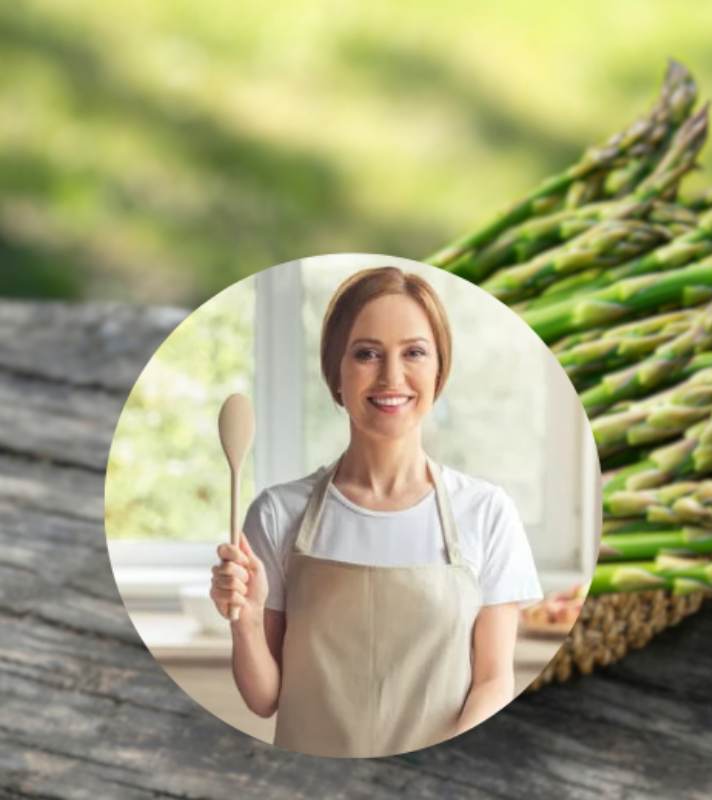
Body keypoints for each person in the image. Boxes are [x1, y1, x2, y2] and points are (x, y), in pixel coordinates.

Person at [208, 266, 543, 757]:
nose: (391, 376)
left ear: (439, 372)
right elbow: (264, 699)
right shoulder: (278, 514)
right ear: (335, 374)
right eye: (366, 354)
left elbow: (493, 682)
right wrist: (245, 618)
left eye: (414, 353)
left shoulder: (487, 512)